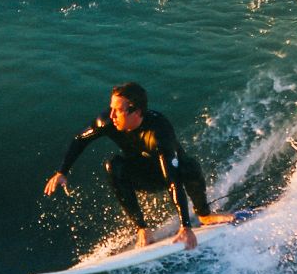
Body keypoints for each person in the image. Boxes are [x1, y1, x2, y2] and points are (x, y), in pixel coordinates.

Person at [43, 82, 213, 249]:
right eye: (111, 108)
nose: (111, 115)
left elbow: (173, 180)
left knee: (189, 166)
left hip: (170, 174)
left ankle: (204, 215)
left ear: (136, 112)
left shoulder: (158, 132)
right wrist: (62, 172)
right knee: (113, 165)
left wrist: (185, 225)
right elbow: (80, 140)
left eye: (118, 110)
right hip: (142, 175)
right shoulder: (108, 122)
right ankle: (142, 228)